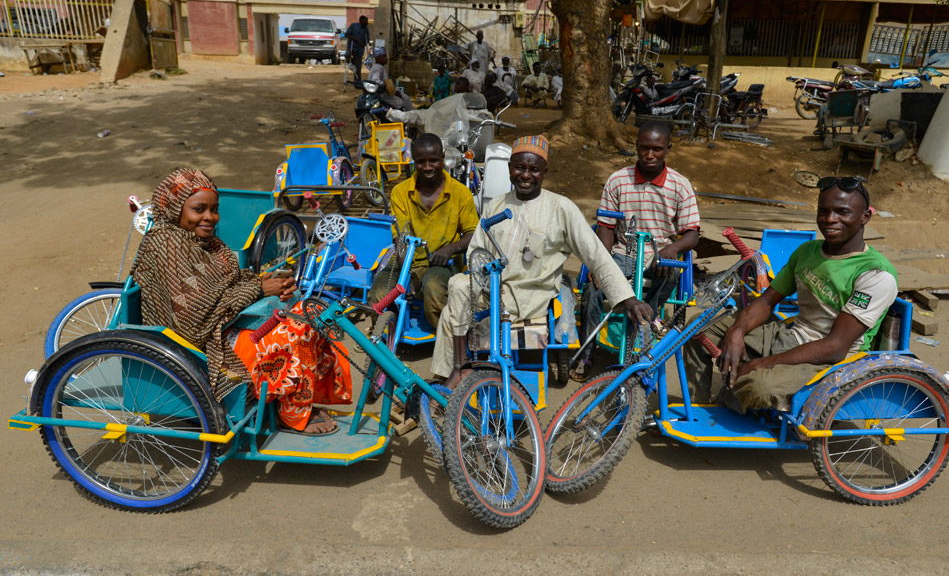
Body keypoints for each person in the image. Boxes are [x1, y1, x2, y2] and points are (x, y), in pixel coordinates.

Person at [131, 168, 352, 435]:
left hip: (221, 327)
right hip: (199, 344)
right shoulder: (165, 246)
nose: (209, 217)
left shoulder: (207, 243)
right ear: (175, 208)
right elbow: (192, 316)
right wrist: (259, 289)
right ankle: (293, 413)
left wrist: (267, 284)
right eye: (199, 209)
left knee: (311, 320)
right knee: (293, 335)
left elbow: (227, 282)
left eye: (214, 209)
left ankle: (296, 399)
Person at [430, 135, 654, 389]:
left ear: (544, 172)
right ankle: (452, 374)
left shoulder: (561, 208)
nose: (525, 175)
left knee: (457, 294)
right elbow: (476, 253)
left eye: (533, 169)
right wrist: (484, 280)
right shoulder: (496, 205)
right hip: (489, 291)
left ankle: (454, 373)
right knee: (457, 289)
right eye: (519, 168)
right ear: (509, 169)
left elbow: (596, 255)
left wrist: (627, 298)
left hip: (529, 296)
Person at [686, 177, 898, 414]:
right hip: (791, 335)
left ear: (865, 217)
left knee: (757, 385)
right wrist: (737, 331)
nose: (830, 219)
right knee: (699, 327)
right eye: (823, 211)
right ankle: (697, 406)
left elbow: (835, 347)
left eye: (842, 212)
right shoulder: (808, 251)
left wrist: (759, 364)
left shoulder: (876, 274)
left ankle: (742, 402)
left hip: (828, 362)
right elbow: (767, 301)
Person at [575, 120, 700, 381]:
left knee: (672, 274)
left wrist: (673, 248)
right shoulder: (618, 180)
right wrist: (601, 263)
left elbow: (691, 233)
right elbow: (607, 227)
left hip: (659, 254)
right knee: (592, 288)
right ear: (636, 146)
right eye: (644, 148)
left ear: (668, 149)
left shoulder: (680, 185)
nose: (650, 155)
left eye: (657, 149)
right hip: (624, 253)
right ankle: (587, 353)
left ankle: (647, 319)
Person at [367, 134, 479, 328]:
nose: (427, 167)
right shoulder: (400, 192)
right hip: (406, 260)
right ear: (413, 161)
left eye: (433, 160)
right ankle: (386, 339)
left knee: (434, 289)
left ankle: (445, 340)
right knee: (378, 295)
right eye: (421, 162)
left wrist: (450, 249)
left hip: (443, 262)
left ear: (443, 158)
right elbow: (400, 236)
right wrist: (406, 273)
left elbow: (473, 234)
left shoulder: (461, 193)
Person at [345, 15, 370, 80]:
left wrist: (364, 42)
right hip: (351, 47)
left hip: (359, 50)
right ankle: (351, 63)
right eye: (365, 22)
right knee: (350, 60)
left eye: (366, 22)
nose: (366, 23)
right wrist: (357, 40)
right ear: (360, 21)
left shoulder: (366, 29)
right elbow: (347, 34)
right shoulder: (353, 26)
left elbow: (367, 40)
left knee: (358, 66)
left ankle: (357, 81)